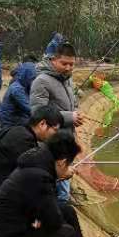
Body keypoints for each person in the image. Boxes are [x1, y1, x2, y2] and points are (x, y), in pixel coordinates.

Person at [0, 104, 62, 206]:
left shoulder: (19, 131)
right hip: (2, 202)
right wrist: (59, 174)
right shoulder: (24, 140)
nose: (55, 134)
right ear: (43, 124)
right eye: (55, 130)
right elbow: (35, 176)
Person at [30, 40, 85, 202]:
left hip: (65, 138)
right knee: (59, 190)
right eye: (64, 63)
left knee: (62, 186)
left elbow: (70, 103)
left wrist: (75, 113)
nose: (68, 67)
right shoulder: (41, 81)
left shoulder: (66, 79)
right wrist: (69, 117)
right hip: (51, 142)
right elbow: (37, 113)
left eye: (71, 64)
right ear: (53, 60)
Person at [0, 56, 38, 130]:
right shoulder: (16, 89)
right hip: (10, 123)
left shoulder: (24, 86)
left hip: (18, 118)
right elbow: (30, 109)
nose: (34, 81)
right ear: (27, 76)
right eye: (33, 78)